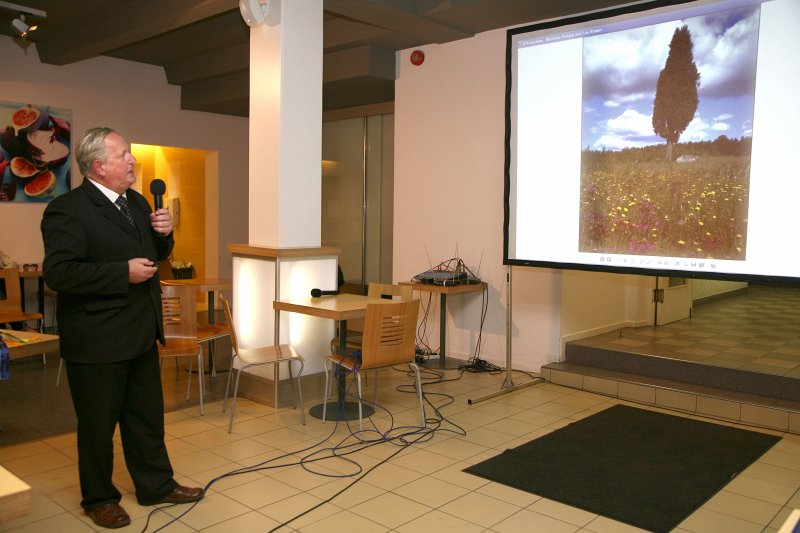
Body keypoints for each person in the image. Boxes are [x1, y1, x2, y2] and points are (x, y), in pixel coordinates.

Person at [41, 127, 203, 529]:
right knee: (98, 427)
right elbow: (59, 274)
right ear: (99, 166)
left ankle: (156, 485)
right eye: (124, 154)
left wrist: (166, 236)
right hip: (97, 341)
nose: (132, 161)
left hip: (140, 334)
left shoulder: (135, 200)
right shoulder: (67, 210)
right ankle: (99, 498)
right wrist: (121, 273)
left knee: (146, 418)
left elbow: (154, 255)